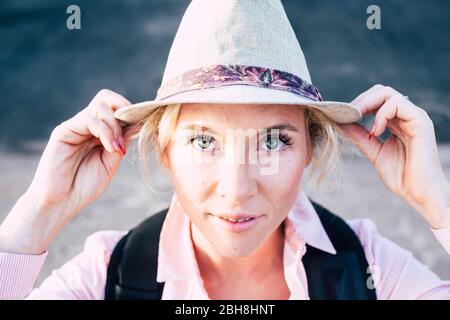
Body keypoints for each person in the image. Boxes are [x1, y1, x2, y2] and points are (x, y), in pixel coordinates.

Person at [1, 0, 449, 300]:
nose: (237, 190)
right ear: (164, 150)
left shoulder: (368, 267)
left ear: (310, 148)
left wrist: (439, 204)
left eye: (274, 140)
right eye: (203, 140)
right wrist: (42, 209)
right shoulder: (108, 277)